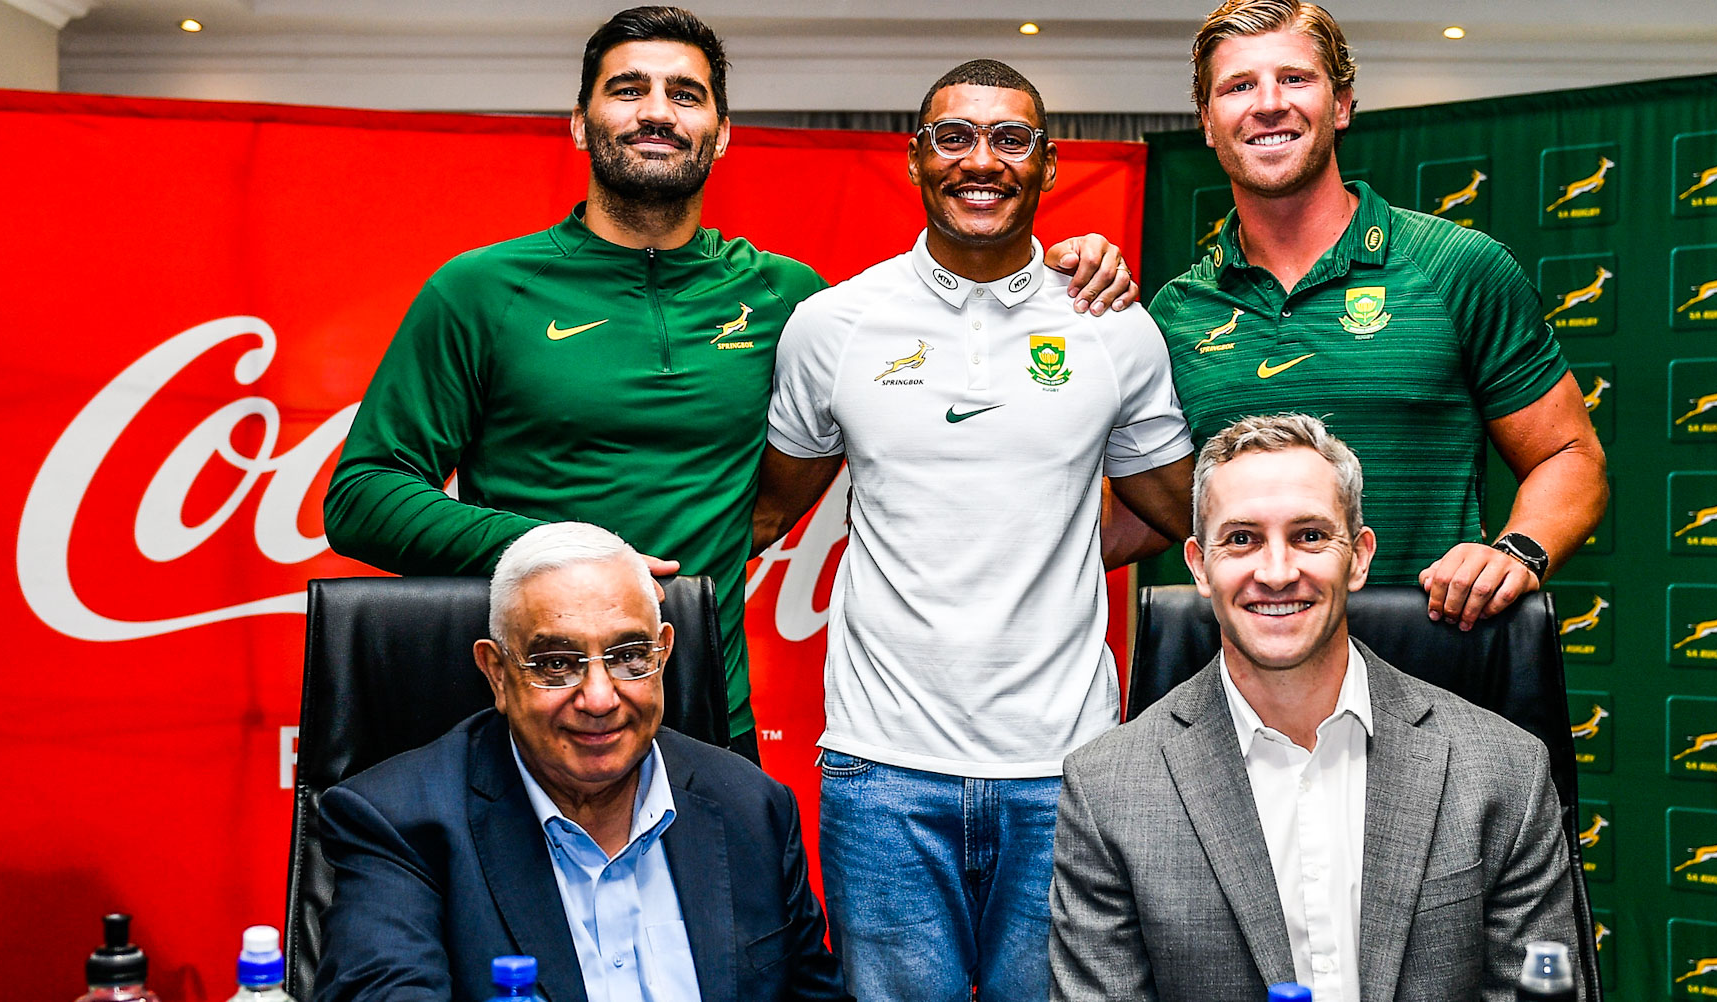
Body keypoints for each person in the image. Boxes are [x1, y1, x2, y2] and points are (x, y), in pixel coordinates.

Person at [322, 5, 1142, 764]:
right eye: (627, 90)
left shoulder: (788, 298)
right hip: (531, 712)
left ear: (719, 135)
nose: (657, 112)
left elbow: (956, 336)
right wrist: (566, 556)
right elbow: (362, 496)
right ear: (579, 122)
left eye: (685, 95)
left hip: (708, 713)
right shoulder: (479, 290)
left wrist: (1063, 268)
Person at [750, 60, 1195, 1002]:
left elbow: (1184, 513)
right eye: (953, 138)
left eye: (1010, 139)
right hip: (883, 770)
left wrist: (1055, 538)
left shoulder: (1112, 325)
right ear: (915, 159)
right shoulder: (834, 325)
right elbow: (766, 513)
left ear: (1049, 164)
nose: (981, 161)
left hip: (1068, 768)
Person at [1048, 413, 1582, 1002]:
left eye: (1309, 536)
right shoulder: (1107, 790)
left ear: (1358, 557)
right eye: (1242, 539)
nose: (1277, 573)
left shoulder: (1504, 770)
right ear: (1199, 565)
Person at [1145, 0, 1607, 631]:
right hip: (1251, 668)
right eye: (1239, 86)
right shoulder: (1176, 312)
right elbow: (1153, 508)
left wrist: (1516, 552)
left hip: (1433, 659)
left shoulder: (1457, 266)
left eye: (1295, 78)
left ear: (1341, 104)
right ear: (1207, 121)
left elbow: (1570, 454)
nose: (1269, 103)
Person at [313, 522, 848, 1002]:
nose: (599, 698)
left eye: (629, 656)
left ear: (663, 653)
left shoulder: (752, 807)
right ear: (497, 673)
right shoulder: (401, 824)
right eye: (556, 664)